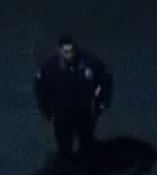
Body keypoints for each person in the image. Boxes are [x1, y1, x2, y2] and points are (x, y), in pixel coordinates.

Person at [35, 33, 112, 164]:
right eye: (66, 52)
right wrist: (47, 110)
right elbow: (42, 90)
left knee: (86, 145)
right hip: (62, 113)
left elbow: (104, 81)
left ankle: (87, 170)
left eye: (71, 51)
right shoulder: (49, 68)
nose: (69, 55)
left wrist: (101, 103)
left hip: (84, 112)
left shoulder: (89, 63)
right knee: (65, 147)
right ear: (60, 51)